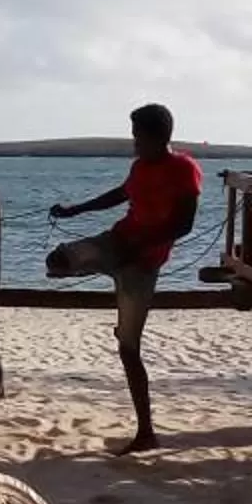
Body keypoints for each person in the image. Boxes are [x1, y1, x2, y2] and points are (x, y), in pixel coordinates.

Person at [47, 103, 204, 453]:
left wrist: (139, 249)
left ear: (157, 137)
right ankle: (108, 276)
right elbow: (119, 195)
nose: (134, 144)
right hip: (116, 243)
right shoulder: (140, 167)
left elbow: (183, 225)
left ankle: (146, 433)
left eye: (138, 137)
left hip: (143, 263)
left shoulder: (184, 169)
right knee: (57, 261)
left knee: (129, 350)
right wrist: (75, 210)